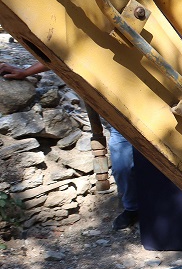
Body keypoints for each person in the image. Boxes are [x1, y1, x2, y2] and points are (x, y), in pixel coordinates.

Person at [1, 61, 140, 229]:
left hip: (149, 108)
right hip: (120, 119)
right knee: (121, 167)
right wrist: (25, 72)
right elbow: (62, 54)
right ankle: (132, 209)